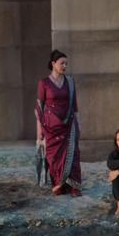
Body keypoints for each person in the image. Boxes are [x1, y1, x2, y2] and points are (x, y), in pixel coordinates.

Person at [35, 50, 82, 197]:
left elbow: (74, 106)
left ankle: (74, 185)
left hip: (69, 124)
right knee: (53, 157)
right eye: (62, 63)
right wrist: (39, 135)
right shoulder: (44, 83)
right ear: (53, 64)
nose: (65, 66)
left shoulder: (70, 82)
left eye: (66, 63)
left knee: (72, 154)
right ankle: (59, 184)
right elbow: (39, 110)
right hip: (51, 127)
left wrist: (78, 125)